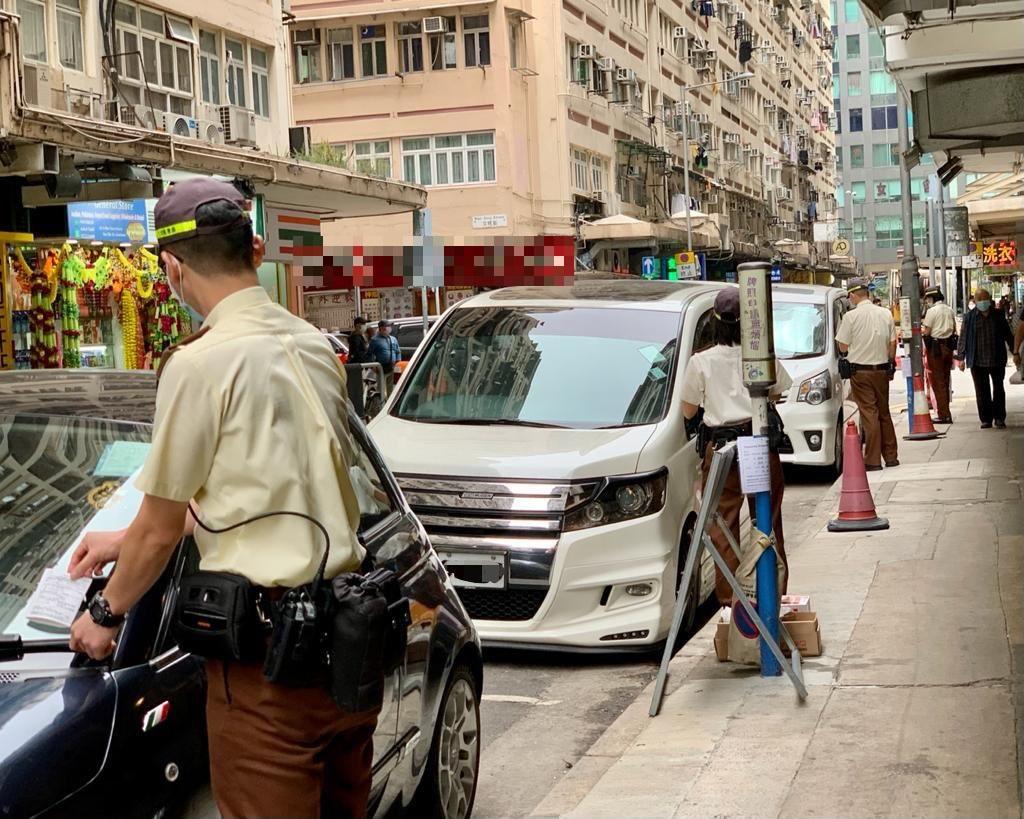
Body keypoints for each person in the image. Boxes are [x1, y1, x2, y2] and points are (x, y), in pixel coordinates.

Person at [66, 178, 377, 818]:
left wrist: (104, 613)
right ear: (255, 249)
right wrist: (122, 540)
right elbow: (258, 492)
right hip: (349, 647)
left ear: (173, 267)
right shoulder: (314, 346)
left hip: (270, 668)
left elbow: (158, 528)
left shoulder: (199, 364)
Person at [681, 287, 792, 606]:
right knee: (767, 523)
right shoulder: (762, 356)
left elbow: (688, 411)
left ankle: (734, 604)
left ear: (715, 323)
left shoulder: (700, 362)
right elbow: (778, 391)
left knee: (722, 526)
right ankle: (772, 598)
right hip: (758, 445)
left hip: (722, 450)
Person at [835, 277, 899, 471]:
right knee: (884, 412)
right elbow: (893, 343)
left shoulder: (850, 317)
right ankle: (891, 457)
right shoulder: (885, 313)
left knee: (869, 414)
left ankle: (872, 460)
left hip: (860, 373)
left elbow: (842, 346)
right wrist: (890, 363)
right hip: (882, 370)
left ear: (853, 295)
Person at [956, 288, 1014, 429]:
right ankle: (986, 419)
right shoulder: (969, 317)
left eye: (985, 299)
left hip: (997, 359)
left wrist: (1015, 352)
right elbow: (963, 338)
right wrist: (961, 358)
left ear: (989, 299)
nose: (982, 302)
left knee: (998, 389)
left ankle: (999, 418)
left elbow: (1008, 335)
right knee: (982, 392)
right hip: (977, 360)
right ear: (975, 301)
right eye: (980, 300)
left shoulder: (998, 315)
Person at [921, 286, 957, 424]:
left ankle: (944, 414)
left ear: (932, 298)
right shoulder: (949, 310)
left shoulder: (932, 311)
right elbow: (954, 328)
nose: (927, 302)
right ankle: (945, 411)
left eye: (928, 299)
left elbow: (927, 331)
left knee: (938, 381)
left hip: (936, 349)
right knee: (945, 380)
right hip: (948, 347)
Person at [369, 319, 401, 388]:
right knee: (381, 387)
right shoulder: (374, 340)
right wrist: (373, 366)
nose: (389, 328)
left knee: (390, 387)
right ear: (381, 328)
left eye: (389, 326)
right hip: (381, 367)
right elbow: (369, 354)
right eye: (387, 326)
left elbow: (398, 351)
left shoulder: (393, 339)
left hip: (392, 366)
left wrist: (398, 362)